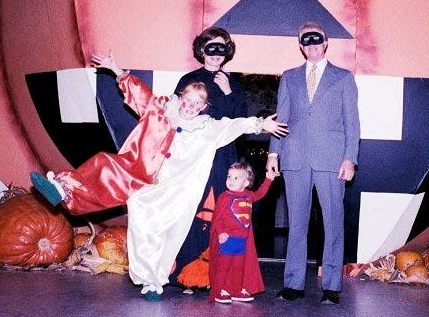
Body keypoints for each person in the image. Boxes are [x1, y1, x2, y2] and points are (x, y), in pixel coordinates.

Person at [31, 51, 287, 301]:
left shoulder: (207, 128)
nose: (190, 107)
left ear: (203, 107)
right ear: (180, 98)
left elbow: (235, 124)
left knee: (170, 238)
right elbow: (140, 95)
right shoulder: (162, 113)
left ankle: (154, 282)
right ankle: (64, 188)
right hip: (152, 184)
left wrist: (260, 123)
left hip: (182, 196)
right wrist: (116, 69)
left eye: (197, 104)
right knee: (109, 168)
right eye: (187, 100)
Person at [266, 22, 360, 305]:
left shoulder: (343, 78)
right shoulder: (289, 77)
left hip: (331, 160)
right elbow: (280, 119)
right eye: (306, 41)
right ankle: (293, 283)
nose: (312, 45)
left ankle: (331, 286)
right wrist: (273, 154)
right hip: (294, 158)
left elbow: (352, 123)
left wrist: (350, 158)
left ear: (326, 42)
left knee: (333, 222)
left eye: (316, 40)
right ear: (300, 45)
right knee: (296, 223)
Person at [172, 27, 247, 287]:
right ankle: (184, 274)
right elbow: (177, 118)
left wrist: (228, 93)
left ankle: (218, 277)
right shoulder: (188, 80)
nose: (216, 54)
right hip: (193, 156)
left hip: (222, 157)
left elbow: (240, 122)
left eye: (221, 48)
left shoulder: (233, 83)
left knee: (220, 212)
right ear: (202, 50)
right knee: (190, 208)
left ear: (227, 53)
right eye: (211, 48)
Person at [208, 161, 277, 304]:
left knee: (239, 268)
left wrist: (269, 179)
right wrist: (221, 233)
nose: (230, 181)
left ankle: (237, 290)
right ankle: (219, 290)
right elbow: (218, 219)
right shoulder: (224, 197)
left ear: (246, 182)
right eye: (229, 176)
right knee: (224, 267)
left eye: (236, 178)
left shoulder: (248, 196)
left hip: (241, 240)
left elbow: (260, 193)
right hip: (228, 239)